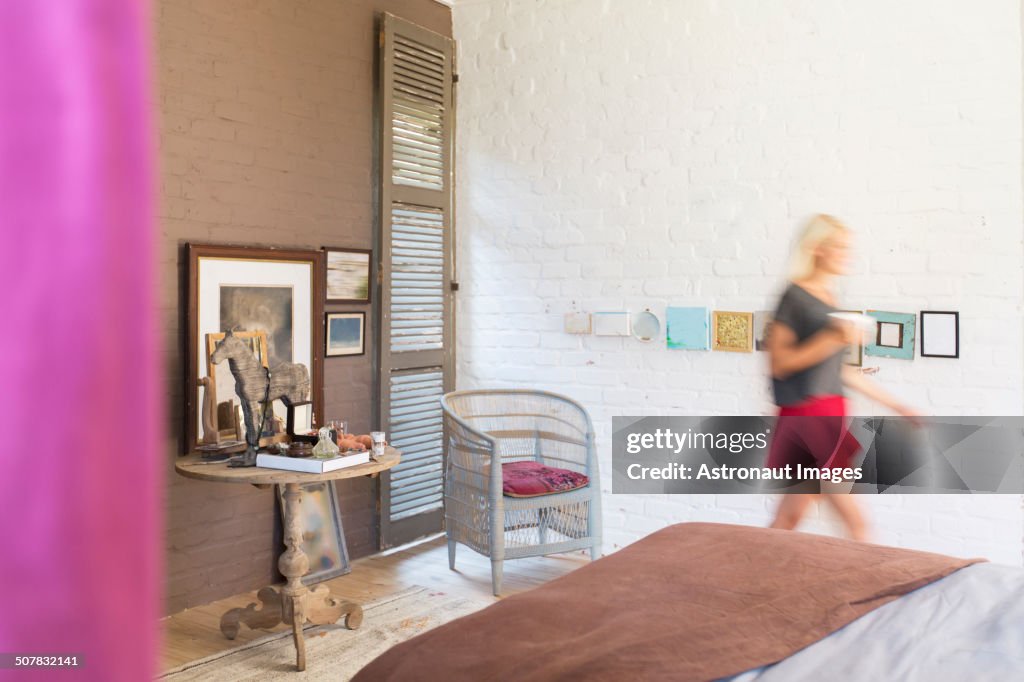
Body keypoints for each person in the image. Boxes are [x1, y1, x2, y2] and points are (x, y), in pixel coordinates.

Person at [764, 214, 919, 541]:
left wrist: (897, 404)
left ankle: (747, 581)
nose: (847, 254)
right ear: (818, 249)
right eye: (840, 247)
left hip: (830, 412)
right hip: (809, 416)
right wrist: (834, 338)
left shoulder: (829, 300)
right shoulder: (795, 297)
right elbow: (780, 363)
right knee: (855, 524)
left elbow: (837, 371)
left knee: (788, 519)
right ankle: (870, 589)